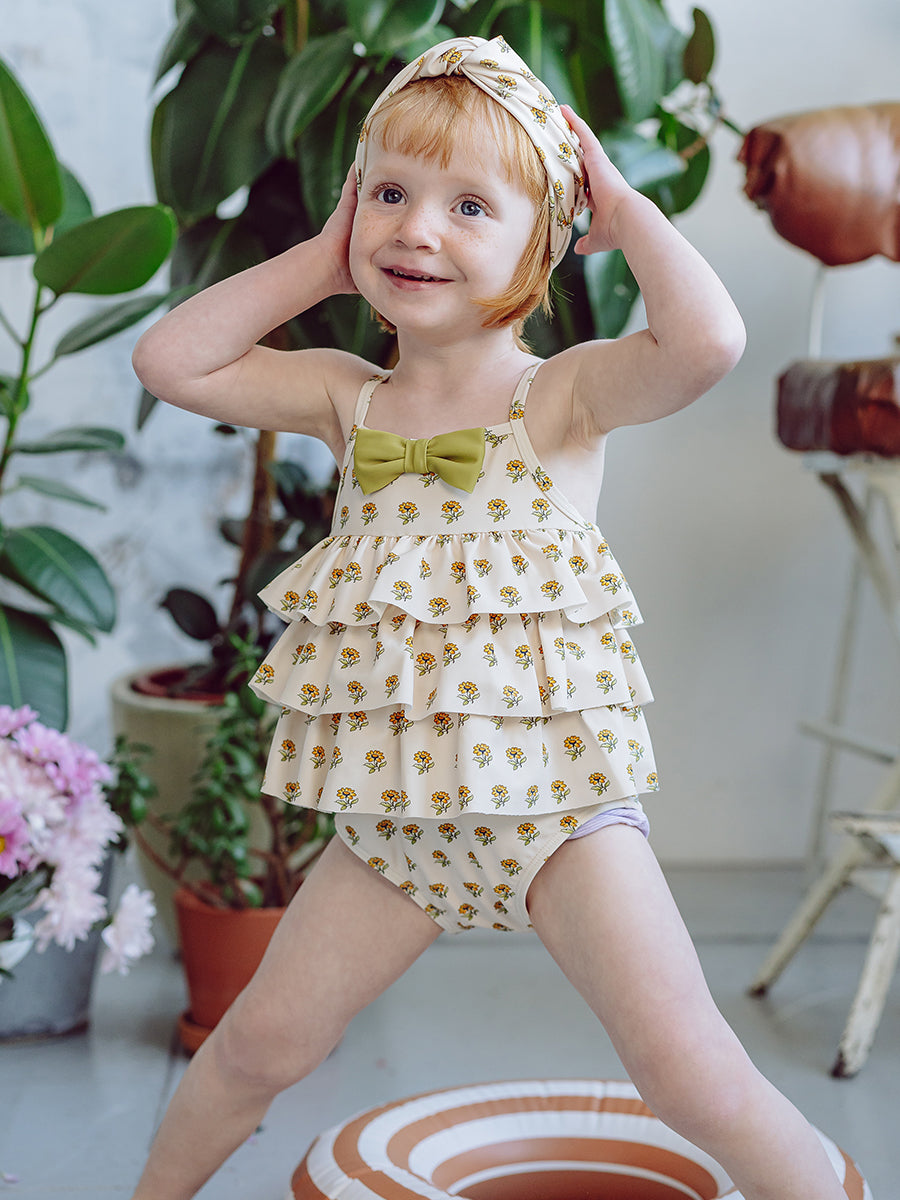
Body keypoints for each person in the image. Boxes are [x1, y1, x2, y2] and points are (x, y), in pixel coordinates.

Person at [130, 35, 847, 1200]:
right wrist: (317, 262)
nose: (417, 228)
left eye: (470, 206)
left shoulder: (560, 395)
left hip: (561, 820)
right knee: (258, 1045)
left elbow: (709, 343)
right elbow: (171, 360)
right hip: (396, 827)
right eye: (390, 194)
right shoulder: (346, 398)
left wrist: (625, 211)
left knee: (689, 1072)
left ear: (544, 243)